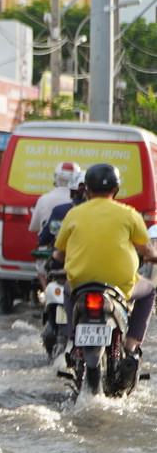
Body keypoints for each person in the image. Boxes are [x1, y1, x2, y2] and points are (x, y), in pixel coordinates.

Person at [53, 162, 157, 380]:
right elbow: (147, 250)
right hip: (121, 284)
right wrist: (153, 256)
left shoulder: (74, 214)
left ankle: (73, 341)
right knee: (148, 291)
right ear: (116, 190)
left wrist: (55, 261)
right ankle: (130, 347)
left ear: (87, 189)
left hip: (80, 283)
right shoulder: (129, 214)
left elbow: (59, 253)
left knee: (67, 289)